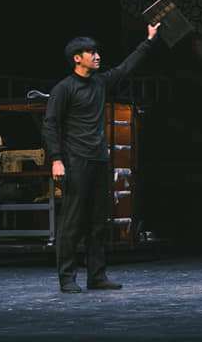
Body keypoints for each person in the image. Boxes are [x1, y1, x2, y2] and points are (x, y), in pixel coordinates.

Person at [42, 24, 160, 293]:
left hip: (98, 160)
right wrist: (56, 159)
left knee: (98, 222)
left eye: (97, 52)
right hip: (75, 161)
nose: (97, 56)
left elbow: (126, 68)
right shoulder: (64, 88)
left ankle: (96, 275)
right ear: (77, 58)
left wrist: (149, 40)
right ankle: (67, 278)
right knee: (72, 221)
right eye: (91, 52)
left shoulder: (100, 83)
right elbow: (50, 124)